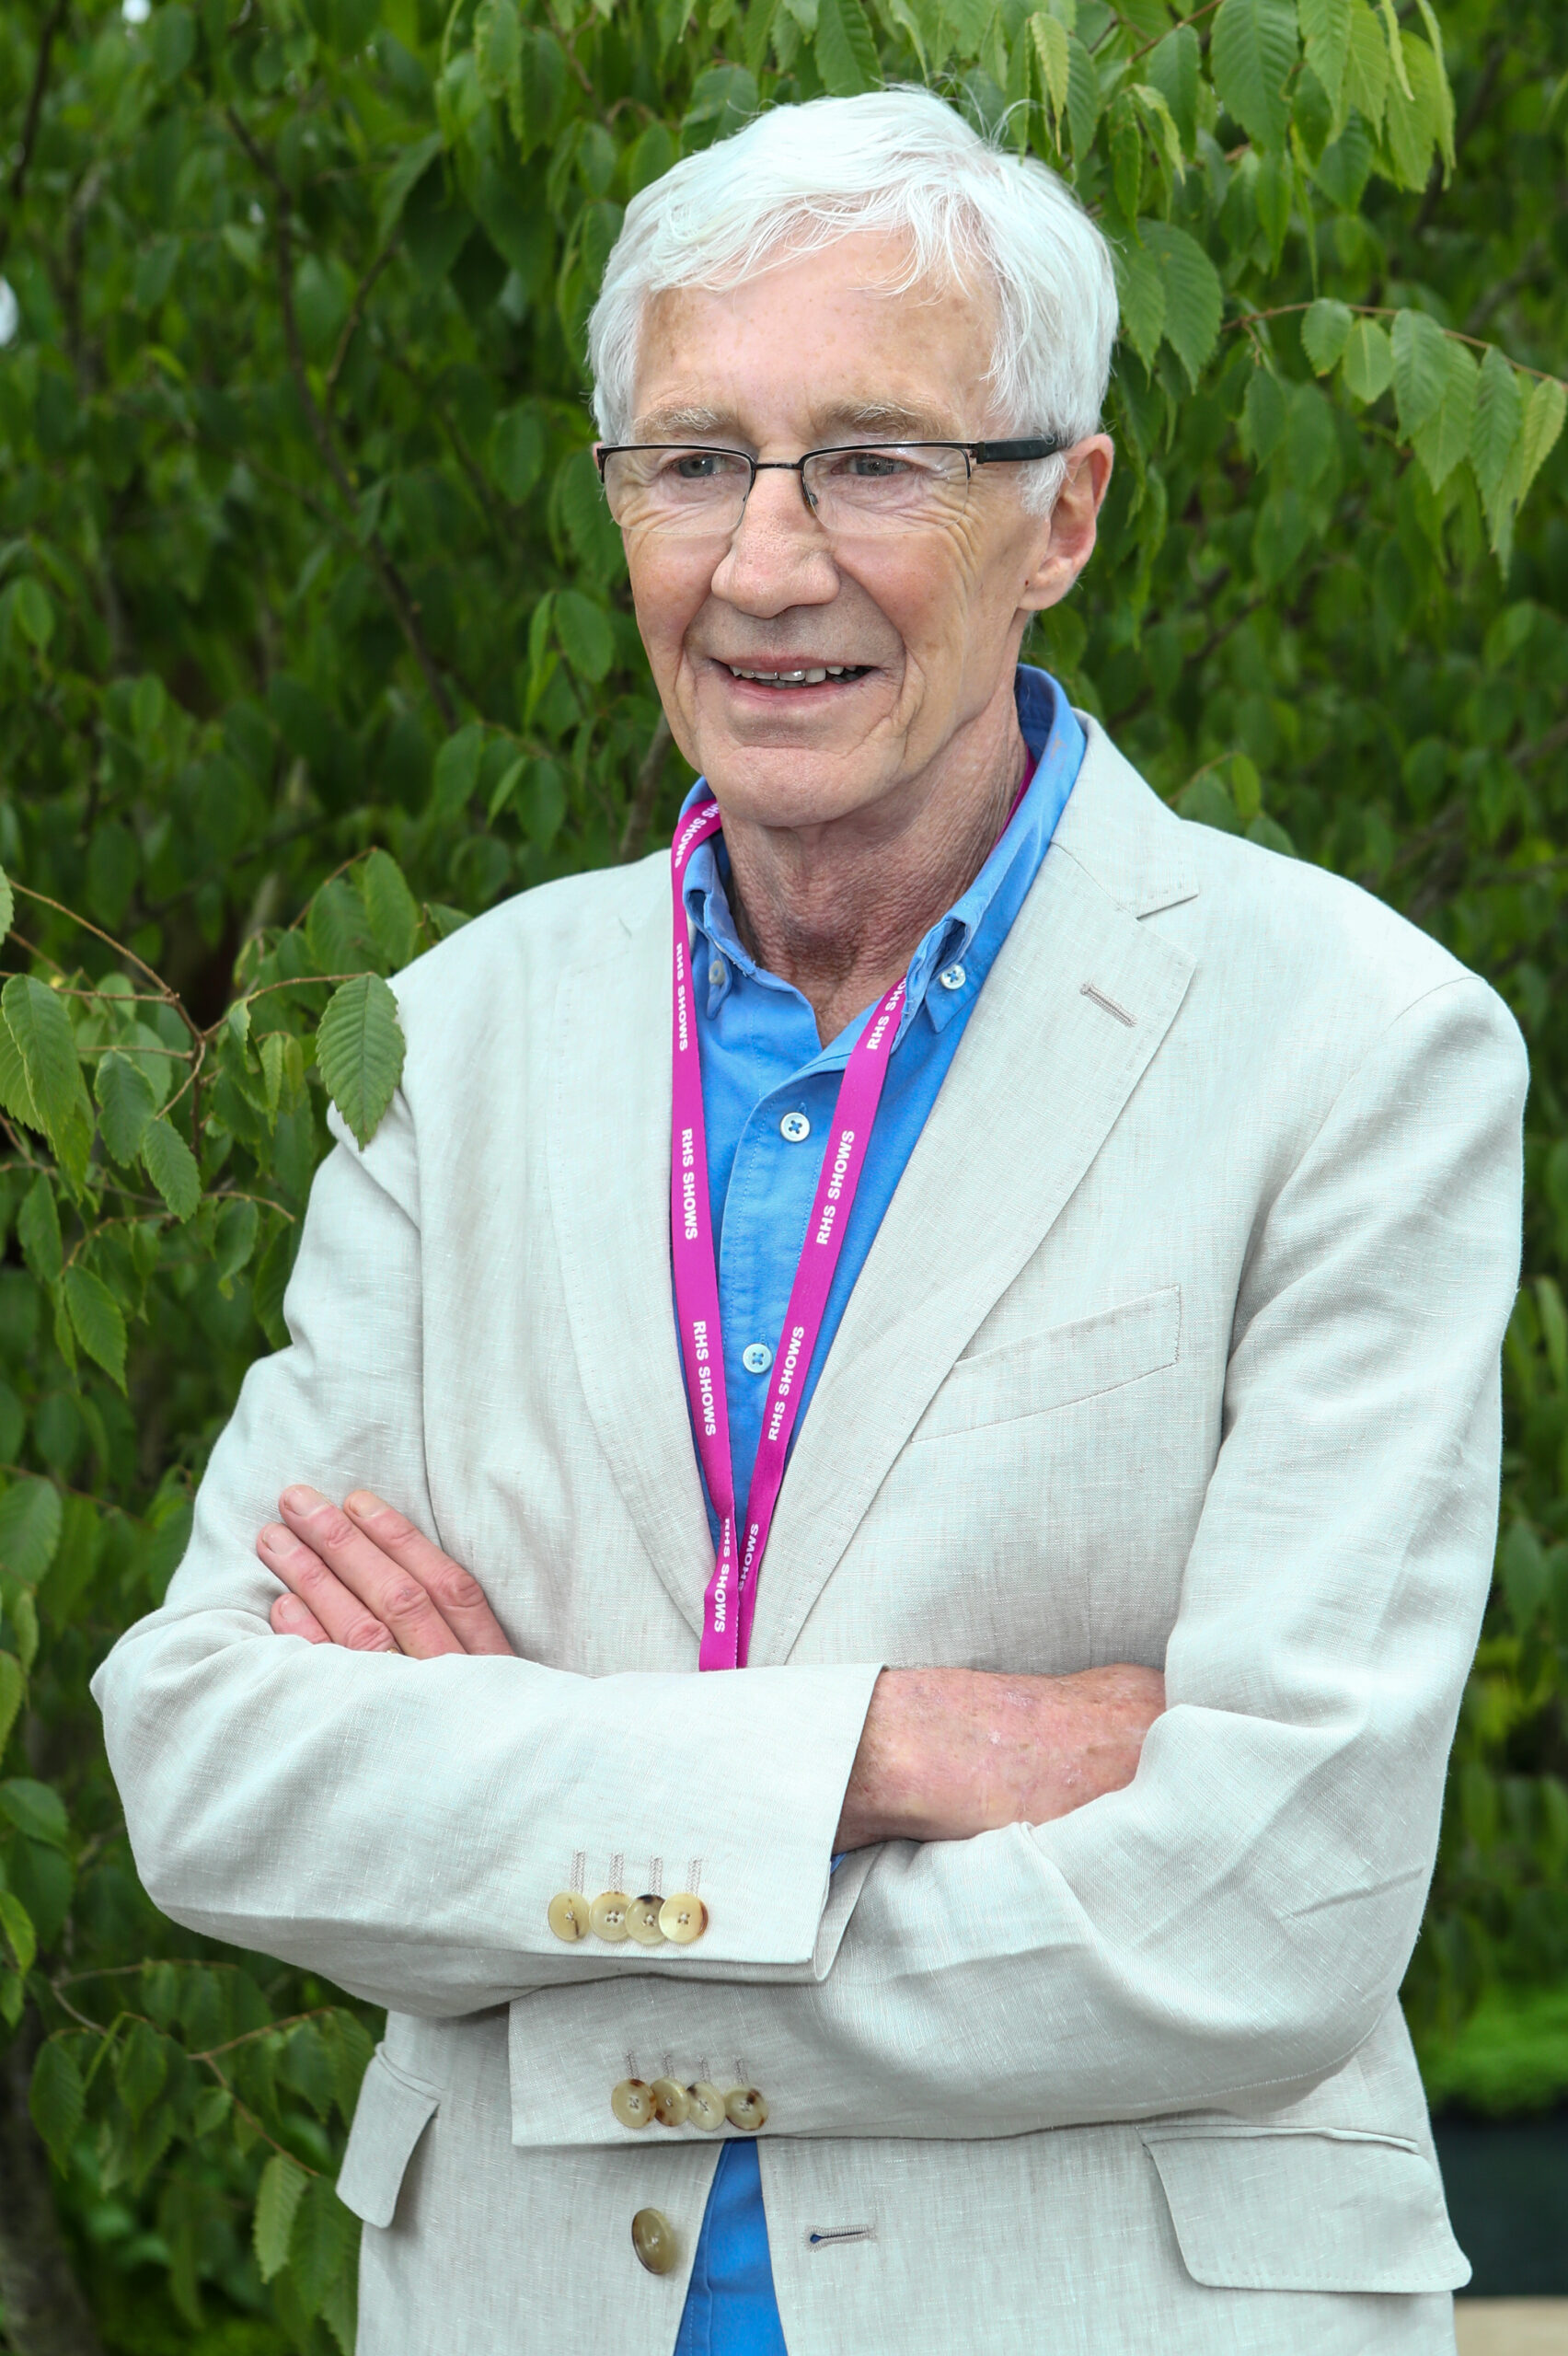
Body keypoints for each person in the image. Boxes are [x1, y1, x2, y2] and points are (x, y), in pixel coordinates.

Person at [95, 87, 1526, 2356]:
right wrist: (882, 1751)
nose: (765, 564)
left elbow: (1273, 1902)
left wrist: (548, 1896)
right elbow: (214, 1767)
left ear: (1062, 514)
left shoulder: (1357, 1043)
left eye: (872, 461)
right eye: (694, 462)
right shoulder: (449, 1042)